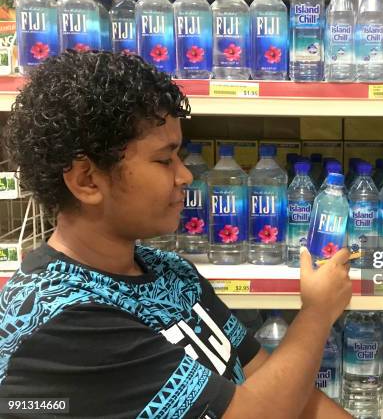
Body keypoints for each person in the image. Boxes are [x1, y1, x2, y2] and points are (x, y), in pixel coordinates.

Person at [0, 51, 353, 418]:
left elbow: (279, 385)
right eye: (164, 160)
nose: (185, 176)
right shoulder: (60, 321)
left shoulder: (172, 273)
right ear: (87, 180)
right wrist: (318, 311)